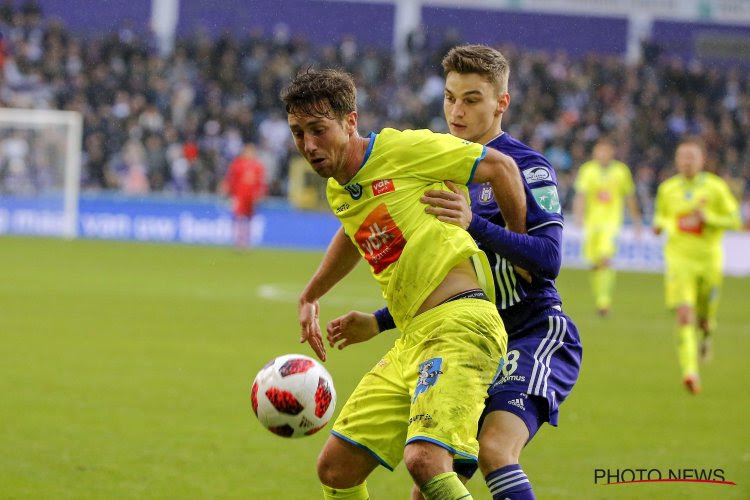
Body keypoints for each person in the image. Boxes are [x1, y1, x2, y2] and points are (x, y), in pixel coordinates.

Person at [326, 45, 583, 500]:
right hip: (459, 336)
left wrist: (476, 224)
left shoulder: (527, 167)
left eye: (471, 99)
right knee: (428, 486)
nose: (456, 111)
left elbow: (547, 261)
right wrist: (380, 320)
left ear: (501, 103)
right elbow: (437, 273)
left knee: (494, 451)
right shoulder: (433, 163)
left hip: (531, 331)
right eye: (449, 98)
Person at [282, 67, 529, 500]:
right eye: (299, 133)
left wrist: (518, 249)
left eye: (318, 130)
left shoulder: (403, 149)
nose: (309, 145)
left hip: (461, 326)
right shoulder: (342, 189)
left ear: (350, 122)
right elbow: (352, 232)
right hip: (412, 339)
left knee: (425, 462)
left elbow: (502, 167)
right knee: (335, 469)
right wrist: (311, 294)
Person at [652, 137, 741, 395]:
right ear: (677, 160)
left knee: (703, 320)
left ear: (702, 160)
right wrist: (660, 225)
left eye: (692, 156)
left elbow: (736, 219)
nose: (687, 161)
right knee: (684, 315)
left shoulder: (715, 188)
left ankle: (706, 333)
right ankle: (690, 372)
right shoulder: (667, 188)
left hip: (709, 262)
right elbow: (661, 216)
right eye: (683, 156)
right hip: (679, 261)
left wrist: (709, 217)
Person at [573, 137, 642, 316]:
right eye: (599, 150)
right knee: (595, 264)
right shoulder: (587, 170)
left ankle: (604, 302)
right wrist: (578, 216)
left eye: (605, 150)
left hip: (611, 224)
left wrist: (636, 222)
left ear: (612, 152)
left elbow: (630, 197)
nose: (602, 154)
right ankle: (600, 299)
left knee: (605, 259)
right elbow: (581, 194)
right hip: (592, 224)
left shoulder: (621, 171)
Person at [222, 143, 267, 248]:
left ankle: (246, 240)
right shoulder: (237, 164)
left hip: (251, 197)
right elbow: (231, 179)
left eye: (252, 151)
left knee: (248, 219)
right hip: (239, 196)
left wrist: (260, 194)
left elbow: (261, 183)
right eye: (248, 151)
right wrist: (228, 190)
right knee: (238, 217)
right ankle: (237, 240)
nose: (250, 153)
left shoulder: (258, 166)